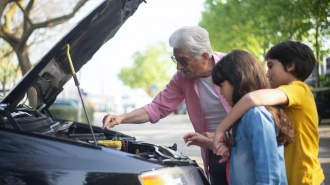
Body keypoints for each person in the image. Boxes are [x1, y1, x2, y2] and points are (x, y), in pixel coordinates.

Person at [102, 26, 231, 185]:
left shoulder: (234, 67)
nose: (178, 67)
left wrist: (227, 135)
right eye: (176, 59)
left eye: (183, 60)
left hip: (242, 145)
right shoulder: (182, 78)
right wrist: (121, 118)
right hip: (214, 151)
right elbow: (157, 107)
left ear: (204, 56)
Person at [213, 41, 325, 185]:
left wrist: (221, 129)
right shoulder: (283, 98)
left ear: (290, 66)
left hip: (306, 181)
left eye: (271, 66)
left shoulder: (299, 89)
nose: (267, 74)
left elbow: (251, 98)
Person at [185, 49, 293, 185]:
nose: (221, 93)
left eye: (222, 86)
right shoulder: (244, 117)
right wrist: (219, 146)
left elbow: (269, 173)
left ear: (238, 80)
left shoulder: (256, 115)